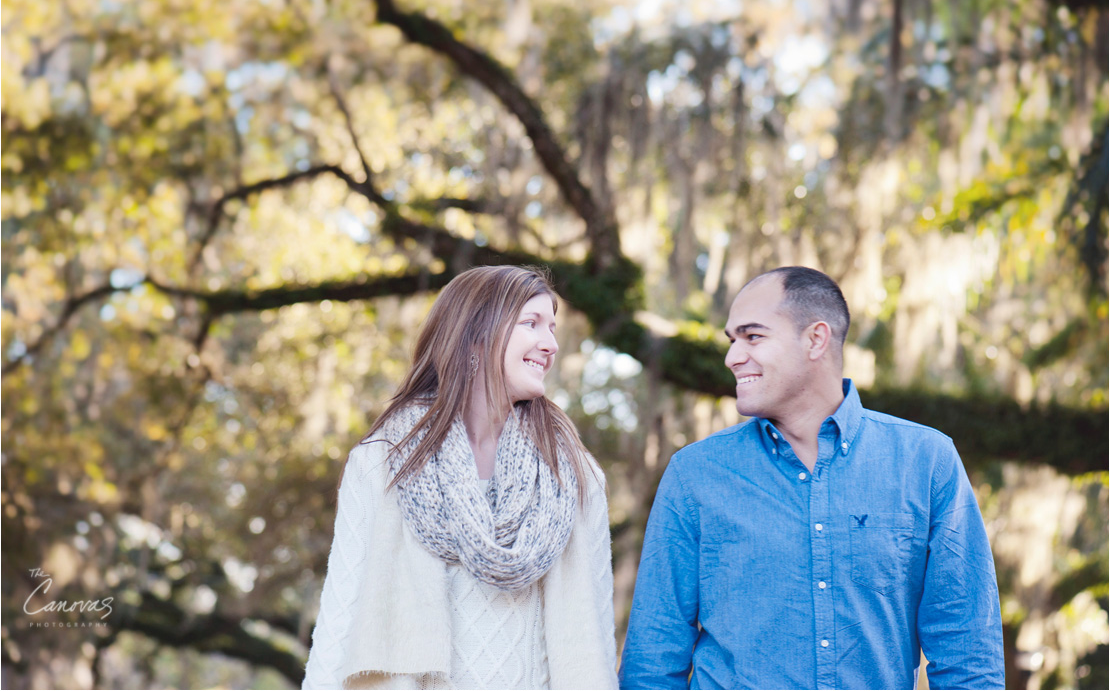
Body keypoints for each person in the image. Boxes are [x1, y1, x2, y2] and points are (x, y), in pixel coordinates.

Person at [619, 266, 1004, 690]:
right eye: (732, 340)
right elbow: (653, 660)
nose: (731, 357)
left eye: (753, 336)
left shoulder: (926, 461)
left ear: (815, 339)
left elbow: (968, 655)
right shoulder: (696, 474)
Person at [303, 265, 618, 690]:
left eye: (553, 328)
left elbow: (596, 633)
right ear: (475, 336)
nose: (551, 344)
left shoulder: (574, 477)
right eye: (531, 324)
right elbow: (338, 623)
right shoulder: (382, 464)